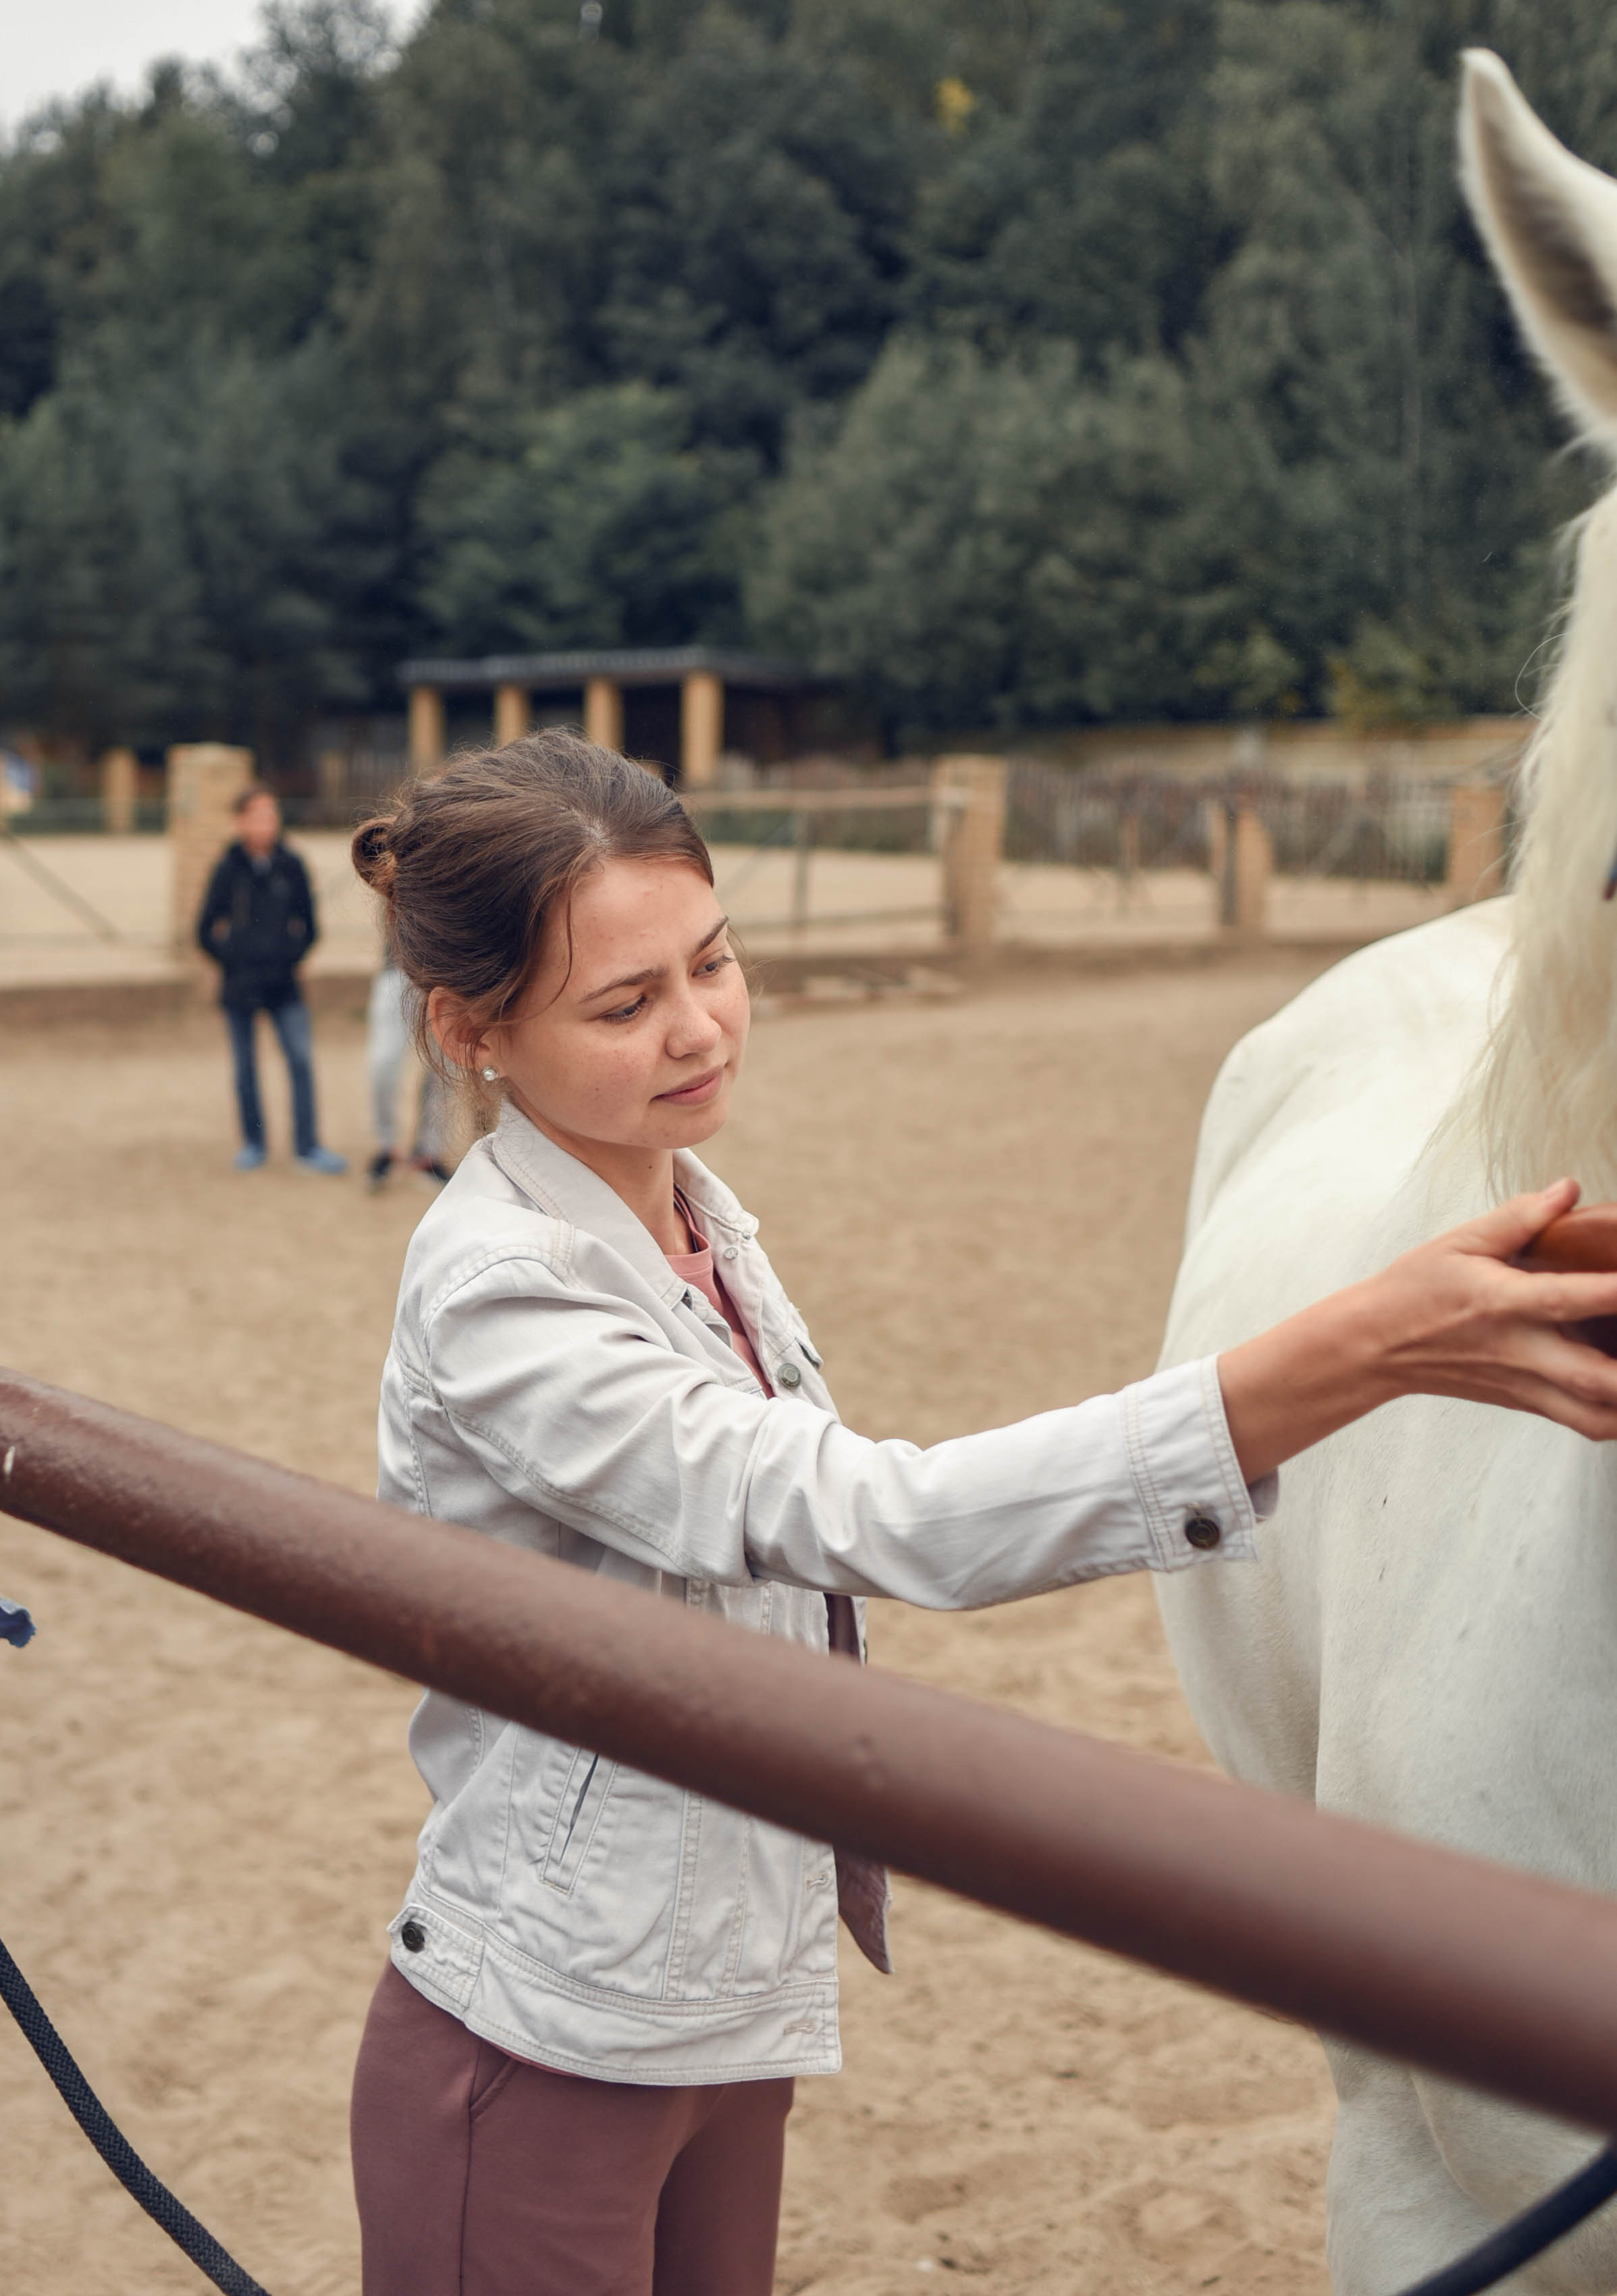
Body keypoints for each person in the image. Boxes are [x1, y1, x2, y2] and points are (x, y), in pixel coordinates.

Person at [345, 730, 1617, 2296]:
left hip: (725, 1999)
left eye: (715, 960)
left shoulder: (686, 1210)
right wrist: (1346, 1352)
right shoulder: (507, 1292)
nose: (699, 1030)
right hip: (544, 2033)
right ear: (470, 1029)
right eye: (625, 1004)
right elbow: (875, 1512)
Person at [195, 784, 348, 1175]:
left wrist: (288, 957)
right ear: (240, 821)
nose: (267, 822)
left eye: (272, 814)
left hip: (284, 985)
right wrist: (235, 960)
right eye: (259, 815)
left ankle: (307, 1146)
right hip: (240, 986)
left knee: (300, 1060)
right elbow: (204, 929)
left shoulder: (292, 864)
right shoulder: (227, 868)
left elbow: (310, 927)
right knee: (245, 1068)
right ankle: (254, 1143)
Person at [365, 929, 451, 1191]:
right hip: (398, 970)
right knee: (384, 1064)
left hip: (448, 975)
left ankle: (429, 1153)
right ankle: (386, 1147)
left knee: (447, 1069)